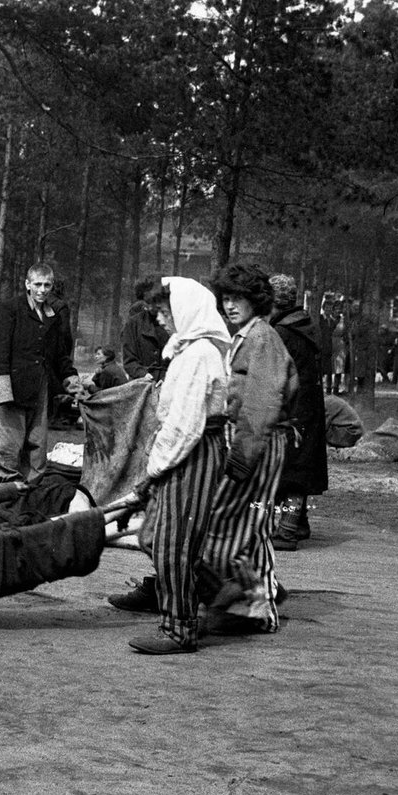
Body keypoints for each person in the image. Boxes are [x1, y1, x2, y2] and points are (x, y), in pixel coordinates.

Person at [115, 276, 232, 654]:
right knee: (153, 536)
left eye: (165, 312)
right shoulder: (185, 350)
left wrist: (152, 472)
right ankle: (229, 600)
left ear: (186, 309)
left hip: (194, 452)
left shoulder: (200, 356)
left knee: (173, 543)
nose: (161, 320)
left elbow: (183, 426)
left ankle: (179, 627)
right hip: (183, 450)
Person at [198, 262, 297, 636]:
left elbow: (263, 399)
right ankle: (259, 595)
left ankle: (260, 606)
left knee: (230, 522)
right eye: (225, 298)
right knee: (245, 525)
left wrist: (243, 455)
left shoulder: (263, 337)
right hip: (248, 440)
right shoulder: (244, 336)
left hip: (260, 441)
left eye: (238, 298)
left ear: (256, 300)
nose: (229, 305)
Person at [0, 263, 78, 481]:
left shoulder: (53, 316)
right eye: (37, 284)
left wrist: (73, 382)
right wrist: (3, 392)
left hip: (40, 389)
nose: (42, 290)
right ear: (28, 284)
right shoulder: (11, 309)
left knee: (37, 443)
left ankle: (31, 487)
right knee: (8, 443)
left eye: (47, 285)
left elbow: (60, 356)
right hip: (12, 386)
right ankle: (3, 485)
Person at [268, 273, 328, 547]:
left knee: (291, 471)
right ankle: (299, 523)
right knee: (300, 466)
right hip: (308, 407)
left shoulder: (281, 332)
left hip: (293, 410)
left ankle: (288, 530)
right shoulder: (303, 326)